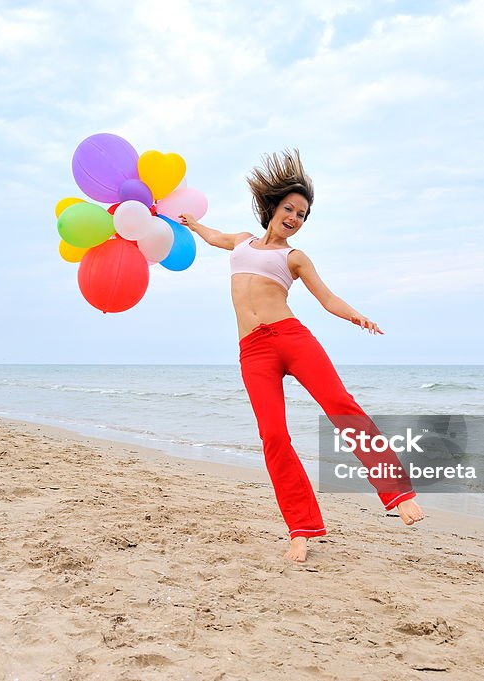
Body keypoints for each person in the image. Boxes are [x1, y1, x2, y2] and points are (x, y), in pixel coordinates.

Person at [180, 149, 424, 563]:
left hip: (292, 338)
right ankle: (301, 528)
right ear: (272, 207)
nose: (294, 218)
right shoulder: (241, 242)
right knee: (273, 436)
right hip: (253, 351)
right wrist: (191, 223)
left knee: (341, 407)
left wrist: (356, 316)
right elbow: (214, 237)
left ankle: (397, 493)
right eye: (290, 209)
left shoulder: (293, 257)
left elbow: (326, 297)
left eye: (302, 214)